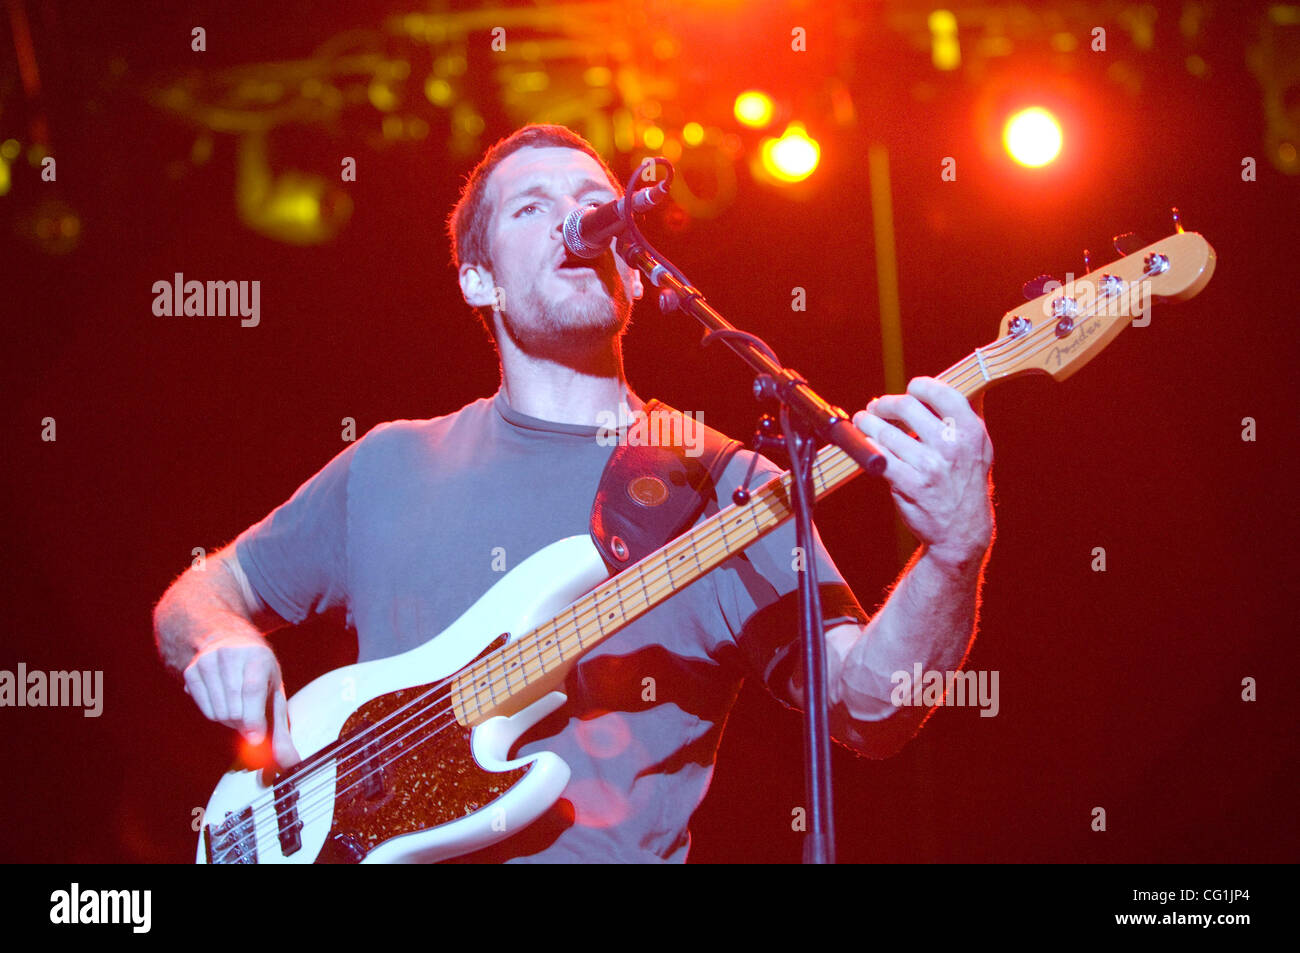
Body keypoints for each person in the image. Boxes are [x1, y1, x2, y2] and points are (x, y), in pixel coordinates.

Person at [153, 124, 995, 862]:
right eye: (531, 208)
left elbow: (870, 708)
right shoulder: (387, 463)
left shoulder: (724, 483)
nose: (575, 220)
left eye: (597, 202)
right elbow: (198, 594)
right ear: (478, 281)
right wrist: (220, 639)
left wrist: (954, 554)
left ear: (630, 262)